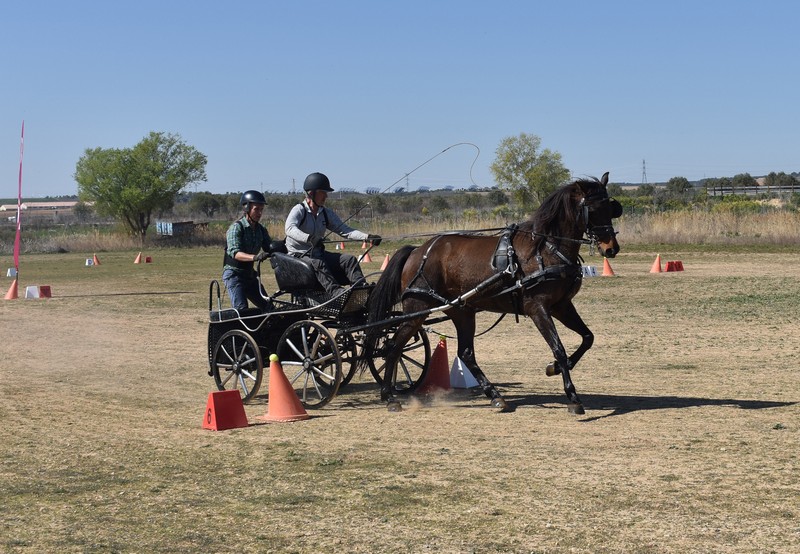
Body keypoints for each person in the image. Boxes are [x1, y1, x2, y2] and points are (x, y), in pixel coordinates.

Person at [285, 172, 381, 295]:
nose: (326, 196)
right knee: (317, 263)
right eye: (323, 192)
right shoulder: (299, 210)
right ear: (311, 193)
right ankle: (338, 294)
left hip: (317, 254)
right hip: (298, 256)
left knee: (349, 259)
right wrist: (309, 238)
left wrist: (367, 237)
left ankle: (361, 291)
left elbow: (345, 230)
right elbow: (289, 228)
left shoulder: (325, 213)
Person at [222, 190, 273, 310]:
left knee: (269, 308)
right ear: (247, 208)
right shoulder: (236, 228)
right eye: (256, 209)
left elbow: (270, 247)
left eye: (261, 209)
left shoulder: (261, 230)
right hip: (234, 275)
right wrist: (255, 257)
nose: (259, 213)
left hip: (249, 275)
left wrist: (284, 245)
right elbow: (235, 253)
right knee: (242, 310)